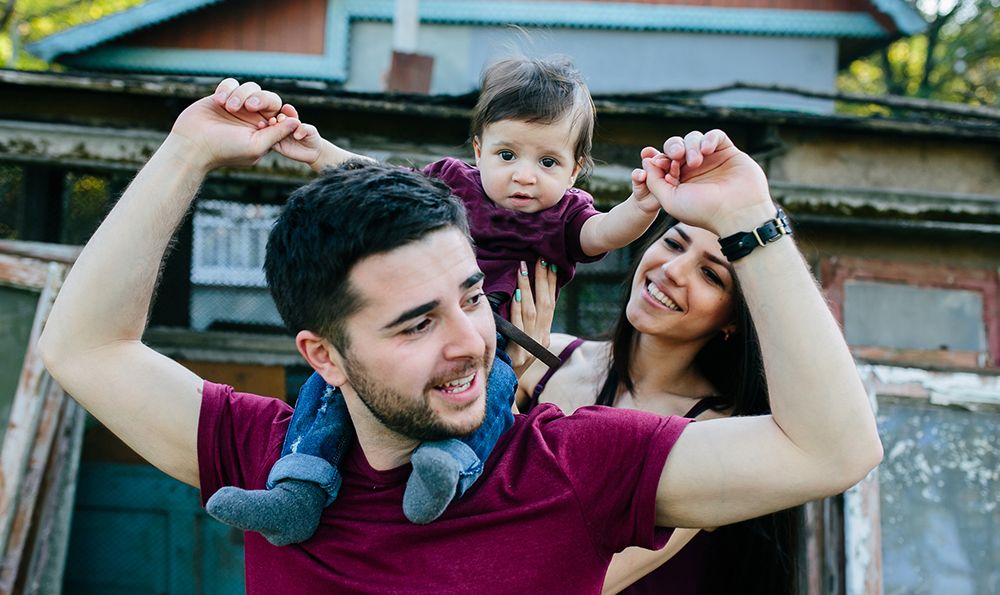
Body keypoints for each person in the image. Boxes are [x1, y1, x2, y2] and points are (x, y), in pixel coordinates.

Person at [37, 80, 883, 594]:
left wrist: (749, 220)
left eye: (473, 295)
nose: (472, 341)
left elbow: (833, 451)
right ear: (322, 356)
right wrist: (186, 153)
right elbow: (84, 348)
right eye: (415, 321)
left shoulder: (574, 465)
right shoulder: (270, 453)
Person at [207, 56, 663, 543]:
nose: (524, 176)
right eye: (507, 155)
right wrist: (320, 152)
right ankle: (297, 489)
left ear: (575, 172)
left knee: (495, 395)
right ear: (478, 149)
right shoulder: (454, 184)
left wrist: (640, 206)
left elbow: (603, 234)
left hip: (492, 346)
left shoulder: (565, 217)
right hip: (415, 331)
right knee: (336, 384)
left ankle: (447, 469)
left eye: (547, 162)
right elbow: (378, 184)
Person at [518, 213, 799, 594]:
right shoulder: (538, 359)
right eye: (673, 244)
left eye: (710, 275)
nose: (672, 270)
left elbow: (583, 578)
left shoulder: (715, 432)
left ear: (732, 319)